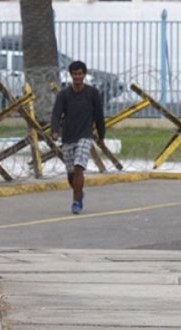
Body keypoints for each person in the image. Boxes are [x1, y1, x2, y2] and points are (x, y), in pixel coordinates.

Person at [49, 60, 106, 215]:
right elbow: (56, 114)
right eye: (75, 74)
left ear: (84, 75)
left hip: (85, 136)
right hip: (68, 137)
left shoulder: (92, 93)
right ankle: (79, 193)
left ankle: (75, 202)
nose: (77, 77)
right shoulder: (64, 95)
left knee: (79, 167)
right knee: (71, 174)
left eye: (80, 74)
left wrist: (101, 136)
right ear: (71, 75)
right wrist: (55, 130)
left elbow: (99, 116)